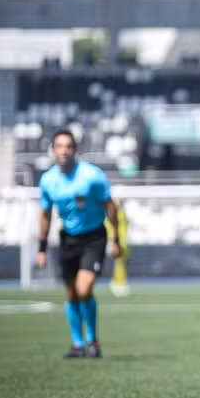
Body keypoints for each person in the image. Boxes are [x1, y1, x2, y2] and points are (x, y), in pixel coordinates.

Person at [36, 129, 122, 358]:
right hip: (68, 240)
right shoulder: (48, 180)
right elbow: (45, 215)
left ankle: (93, 341)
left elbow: (110, 206)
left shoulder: (92, 176)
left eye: (68, 146)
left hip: (94, 237)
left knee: (84, 290)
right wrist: (42, 249)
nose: (64, 151)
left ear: (75, 150)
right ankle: (77, 345)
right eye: (59, 146)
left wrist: (116, 239)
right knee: (71, 293)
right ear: (53, 150)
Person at [107, 198, 131, 297]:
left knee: (123, 263)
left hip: (124, 240)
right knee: (119, 263)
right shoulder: (113, 212)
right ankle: (119, 283)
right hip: (116, 240)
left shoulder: (122, 212)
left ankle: (117, 281)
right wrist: (112, 240)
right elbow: (110, 226)